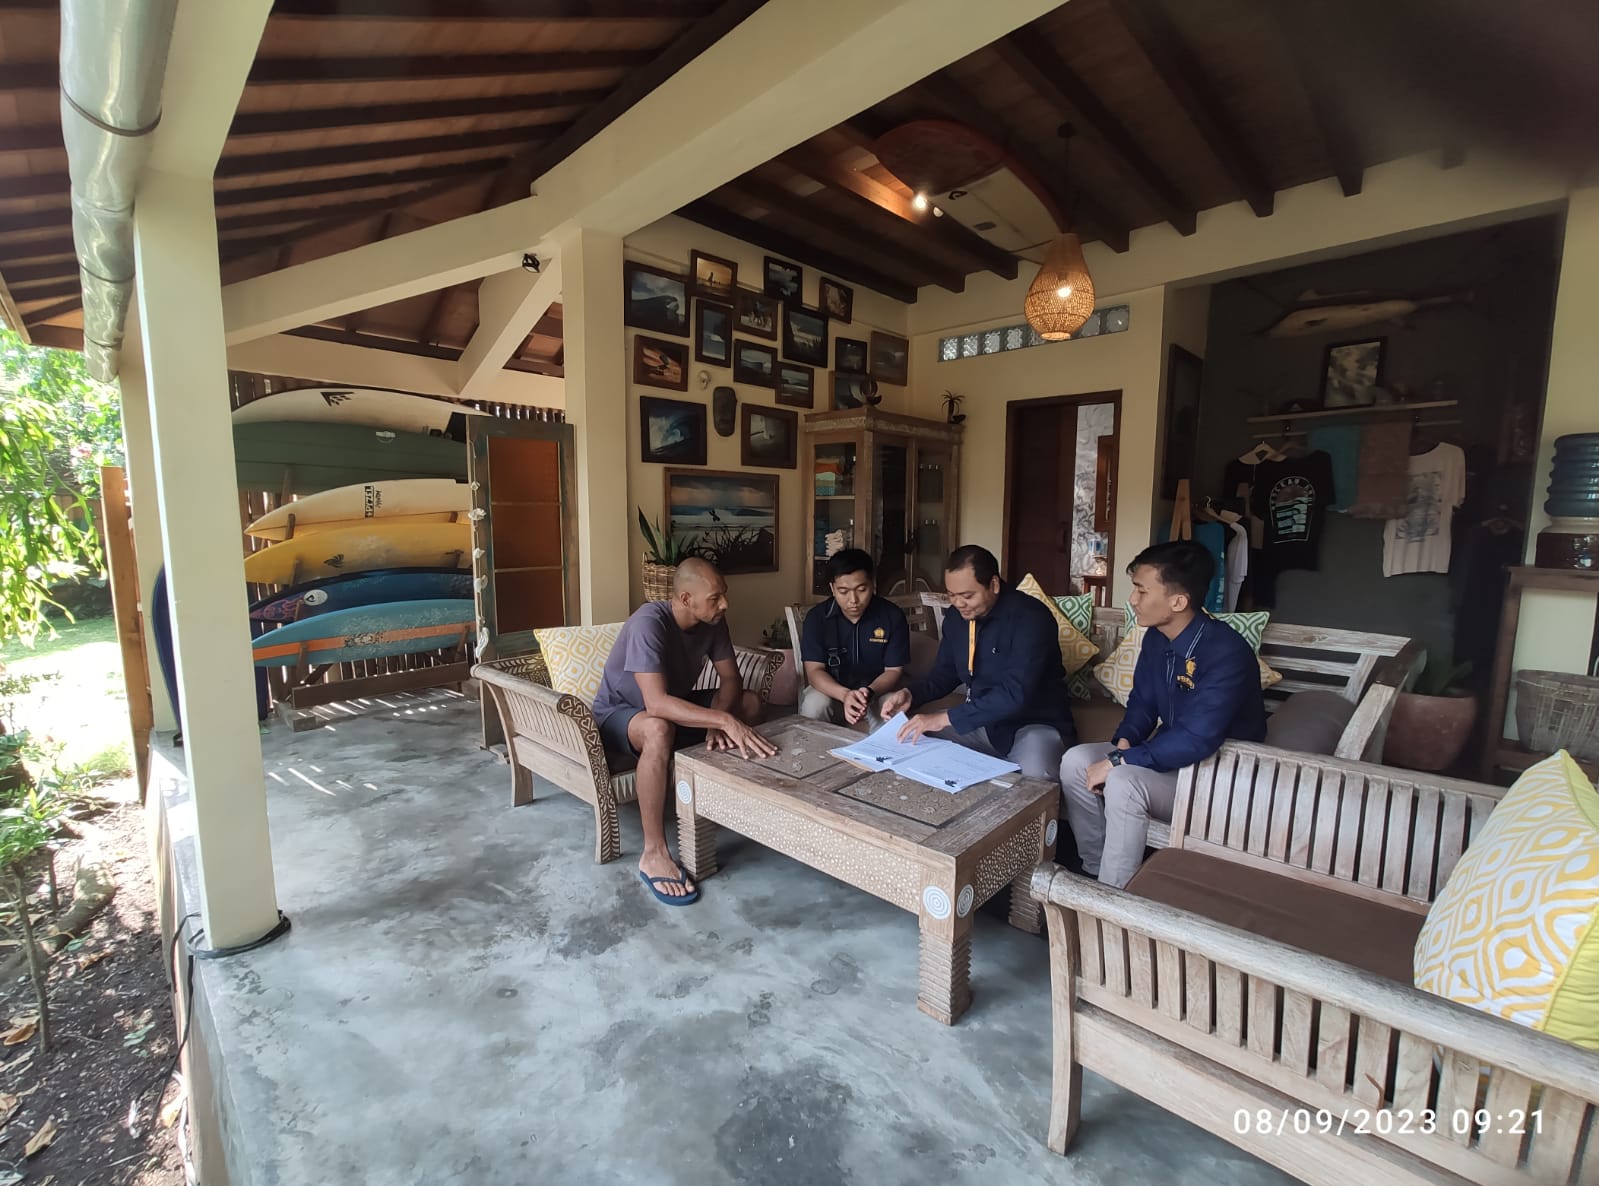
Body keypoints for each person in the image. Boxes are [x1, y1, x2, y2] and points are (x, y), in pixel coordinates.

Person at [1060, 540, 1268, 888]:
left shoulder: (1226, 653)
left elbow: (1197, 739)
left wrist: (1119, 763)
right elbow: (1143, 702)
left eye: (1142, 590)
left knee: (1124, 783)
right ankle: (1095, 871)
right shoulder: (1157, 637)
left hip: (1217, 770)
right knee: (1075, 761)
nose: (1132, 599)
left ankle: (1112, 898)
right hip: (1172, 755)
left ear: (1178, 601)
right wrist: (1124, 743)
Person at [591, 557, 777, 904]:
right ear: (686, 599)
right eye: (715, 598)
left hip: (671, 706)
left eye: (724, 594)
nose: (725, 604)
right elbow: (656, 704)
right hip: (619, 714)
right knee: (659, 729)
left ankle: (723, 801)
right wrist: (721, 721)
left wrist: (720, 715)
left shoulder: (713, 620)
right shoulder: (648, 623)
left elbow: (732, 680)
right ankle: (653, 852)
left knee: (750, 703)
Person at [878, 544, 1075, 780]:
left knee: (1036, 779)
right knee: (906, 739)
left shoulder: (1031, 618)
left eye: (967, 596)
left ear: (994, 584)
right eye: (951, 595)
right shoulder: (956, 618)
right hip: (981, 722)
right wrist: (911, 694)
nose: (958, 603)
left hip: (1031, 725)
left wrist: (944, 719)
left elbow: (1015, 694)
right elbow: (944, 674)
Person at [798, 548, 911, 729]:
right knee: (814, 704)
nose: (853, 600)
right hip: (834, 692)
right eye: (843, 591)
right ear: (832, 588)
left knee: (894, 710)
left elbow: (893, 670)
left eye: (861, 589)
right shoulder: (817, 618)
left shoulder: (892, 616)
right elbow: (814, 672)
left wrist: (869, 692)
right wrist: (845, 695)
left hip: (878, 693)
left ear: (873, 583)